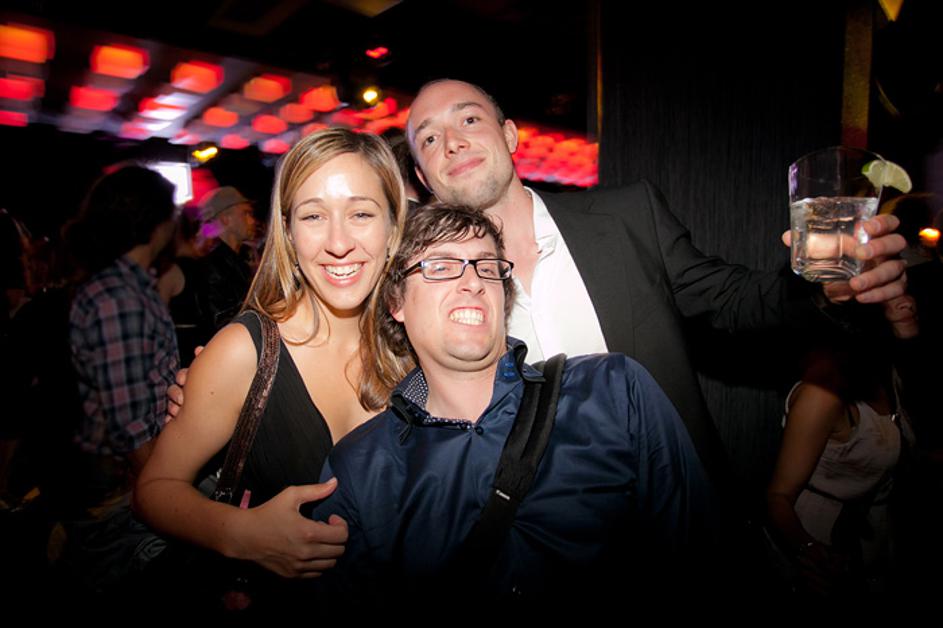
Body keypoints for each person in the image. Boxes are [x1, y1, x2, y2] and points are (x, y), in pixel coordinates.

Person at [404, 78, 909, 487]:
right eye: (429, 138)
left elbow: (734, 299)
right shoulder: (432, 292)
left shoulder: (628, 216)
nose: (453, 142)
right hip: (539, 541)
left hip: (673, 513)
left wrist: (823, 288)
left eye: (469, 119)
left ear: (511, 136)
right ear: (425, 179)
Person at [309, 203, 716, 610]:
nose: (472, 282)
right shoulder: (359, 469)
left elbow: (702, 557)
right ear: (395, 302)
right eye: (442, 266)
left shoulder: (614, 391)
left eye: (487, 267)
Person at [134, 128, 407, 608]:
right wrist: (242, 533)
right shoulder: (246, 350)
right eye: (313, 215)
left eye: (361, 213)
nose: (338, 242)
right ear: (288, 231)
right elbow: (153, 491)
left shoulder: (415, 344)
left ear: (393, 226)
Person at [60, 166, 179, 593]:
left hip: (127, 479)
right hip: (119, 489)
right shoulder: (119, 297)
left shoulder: (132, 286)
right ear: (155, 221)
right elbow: (130, 427)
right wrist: (167, 496)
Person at [766, 294, 920, 600]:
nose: (908, 303)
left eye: (905, 289)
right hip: (817, 547)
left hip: (871, 546)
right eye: (891, 295)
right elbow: (777, 497)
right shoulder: (824, 393)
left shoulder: (888, 369)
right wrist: (811, 553)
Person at [196, 185, 258, 334]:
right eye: (246, 213)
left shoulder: (237, 259)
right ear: (225, 219)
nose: (252, 221)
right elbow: (220, 322)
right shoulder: (212, 266)